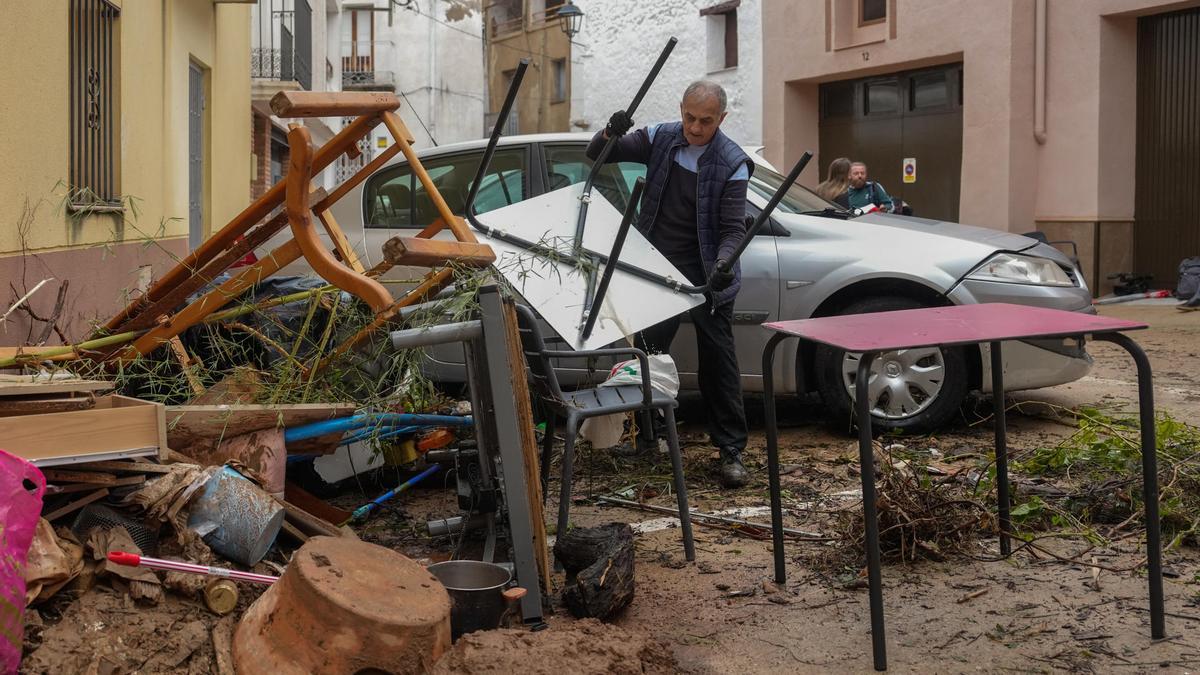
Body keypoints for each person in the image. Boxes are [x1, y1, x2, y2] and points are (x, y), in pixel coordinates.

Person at [587, 80, 752, 488]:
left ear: (722, 119)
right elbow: (598, 154)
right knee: (647, 356)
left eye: (706, 121)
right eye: (690, 118)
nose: (695, 128)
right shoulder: (660, 136)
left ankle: (730, 451)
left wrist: (725, 263)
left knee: (719, 362)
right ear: (681, 110)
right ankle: (650, 438)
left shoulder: (732, 162)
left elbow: (733, 227)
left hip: (707, 274)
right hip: (656, 269)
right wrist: (611, 131)